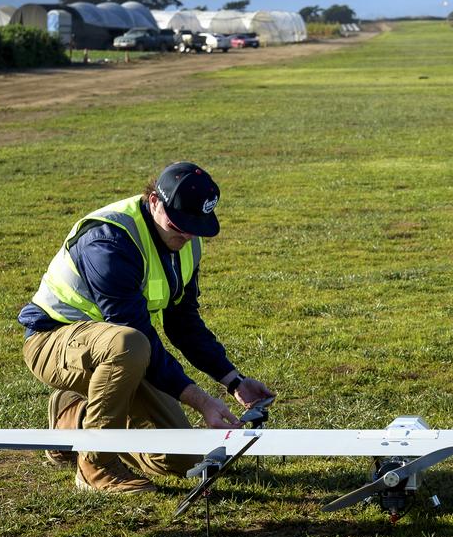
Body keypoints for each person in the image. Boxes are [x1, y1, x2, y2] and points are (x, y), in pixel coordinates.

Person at [17, 161, 274, 493]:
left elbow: (184, 323)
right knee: (129, 343)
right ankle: (95, 465)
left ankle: (73, 415)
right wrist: (201, 401)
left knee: (184, 459)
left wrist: (233, 380)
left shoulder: (187, 241)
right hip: (53, 342)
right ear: (154, 200)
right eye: (179, 223)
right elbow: (134, 334)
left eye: (196, 225)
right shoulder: (109, 241)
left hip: (120, 356)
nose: (187, 233)